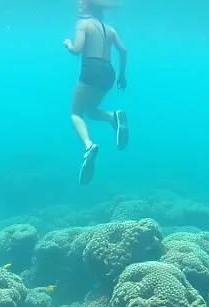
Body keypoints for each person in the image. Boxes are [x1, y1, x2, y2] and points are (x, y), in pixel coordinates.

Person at [63, 0, 129, 185]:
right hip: (108, 72)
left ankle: (88, 146)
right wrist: (122, 76)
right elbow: (123, 51)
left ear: (87, 8)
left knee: (75, 113)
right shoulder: (110, 29)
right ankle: (113, 117)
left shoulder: (83, 24)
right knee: (91, 111)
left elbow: (76, 50)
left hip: (91, 69)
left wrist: (68, 44)